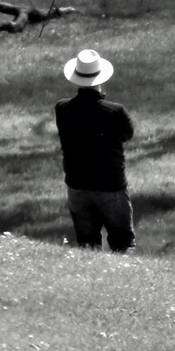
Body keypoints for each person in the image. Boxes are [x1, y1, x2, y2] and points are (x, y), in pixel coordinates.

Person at [54, 48, 135, 252]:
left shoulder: (62, 109)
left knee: (87, 244)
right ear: (101, 77)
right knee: (122, 243)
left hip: (77, 185)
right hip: (110, 186)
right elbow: (127, 134)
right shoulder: (115, 111)